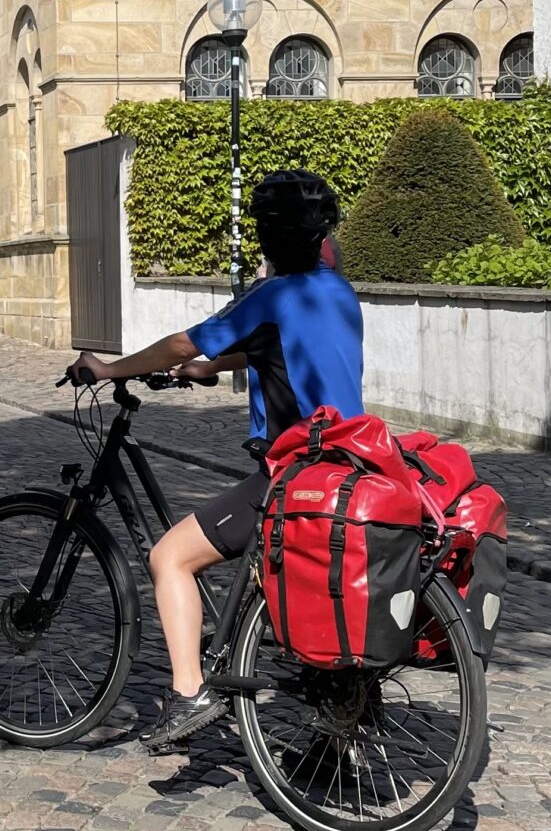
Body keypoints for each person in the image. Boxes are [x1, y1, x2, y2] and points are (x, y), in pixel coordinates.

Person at [65, 170, 362, 750]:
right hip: (349, 467)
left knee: (169, 557)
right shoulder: (338, 293)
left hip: (294, 475)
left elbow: (184, 343)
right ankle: (332, 737)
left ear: (267, 237)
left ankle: (188, 694)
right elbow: (283, 349)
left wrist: (108, 369)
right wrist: (217, 367)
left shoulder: (274, 294)